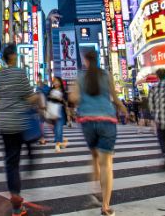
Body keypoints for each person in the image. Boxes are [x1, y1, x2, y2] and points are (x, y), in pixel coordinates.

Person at [69, 51, 126, 216]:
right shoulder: (107, 75)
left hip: (87, 121)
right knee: (106, 163)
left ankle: (95, 187)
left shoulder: (79, 77)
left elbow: (73, 97)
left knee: (94, 156)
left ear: (85, 61)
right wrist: (122, 108)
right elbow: (115, 98)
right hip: (107, 120)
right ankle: (106, 206)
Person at [0, 43, 40, 216]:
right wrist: (39, 97)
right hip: (19, 122)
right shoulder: (20, 73)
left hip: (5, 123)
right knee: (27, 148)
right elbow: (29, 97)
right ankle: (30, 162)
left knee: (11, 162)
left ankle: (15, 202)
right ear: (13, 56)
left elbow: (0, 95)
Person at [47, 77, 69, 152]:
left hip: (60, 110)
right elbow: (48, 100)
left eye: (57, 81)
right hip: (52, 111)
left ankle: (58, 144)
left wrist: (61, 99)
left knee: (59, 128)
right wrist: (51, 97)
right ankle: (60, 141)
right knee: (56, 128)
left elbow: (66, 102)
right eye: (54, 81)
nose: (55, 83)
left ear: (60, 82)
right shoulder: (51, 90)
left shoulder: (63, 91)